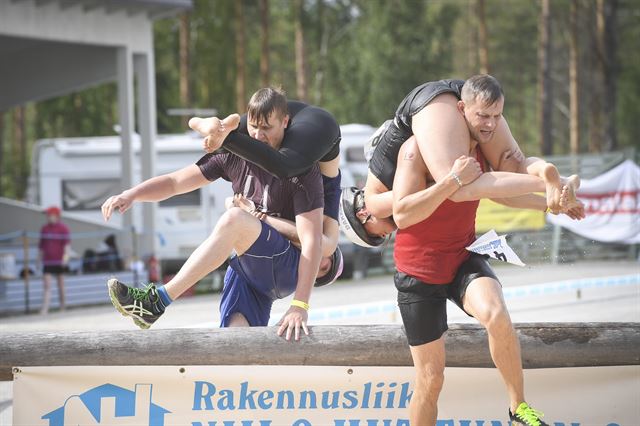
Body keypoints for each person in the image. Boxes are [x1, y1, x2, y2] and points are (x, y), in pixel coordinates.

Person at [103, 87, 340, 341]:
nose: (259, 136)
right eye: (253, 127)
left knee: (234, 219)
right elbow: (175, 182)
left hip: (286, 265)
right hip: (249, 267)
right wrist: (132, 194)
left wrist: (300, 306)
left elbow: (312, 241)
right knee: (234, 342)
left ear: (285, 122)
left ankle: (157, 301)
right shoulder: (234, 156)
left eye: (267, 129)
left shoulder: (302, 171)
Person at [188, 91, 342, 260]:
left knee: (244, 132)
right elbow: (321, 244)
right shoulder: (327, 220)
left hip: (293, 117)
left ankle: (208, 124)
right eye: (325, 267)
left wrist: (253, 215)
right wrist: (258, 216)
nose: (317, 264)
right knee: (282, 164)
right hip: (321, 129)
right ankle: (217, 130)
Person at [38, 206, 70, 314]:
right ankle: (45, 308)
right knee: (47, 285)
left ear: (56, 216)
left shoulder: (63, 228)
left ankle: (62, 307)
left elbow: (67, 247)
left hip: (59, 262)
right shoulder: (44, 228)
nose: (47, 217)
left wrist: (65, 259)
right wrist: (38, 260)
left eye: (49, 214)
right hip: (47, 262)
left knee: (60, 285)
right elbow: (41, 246)